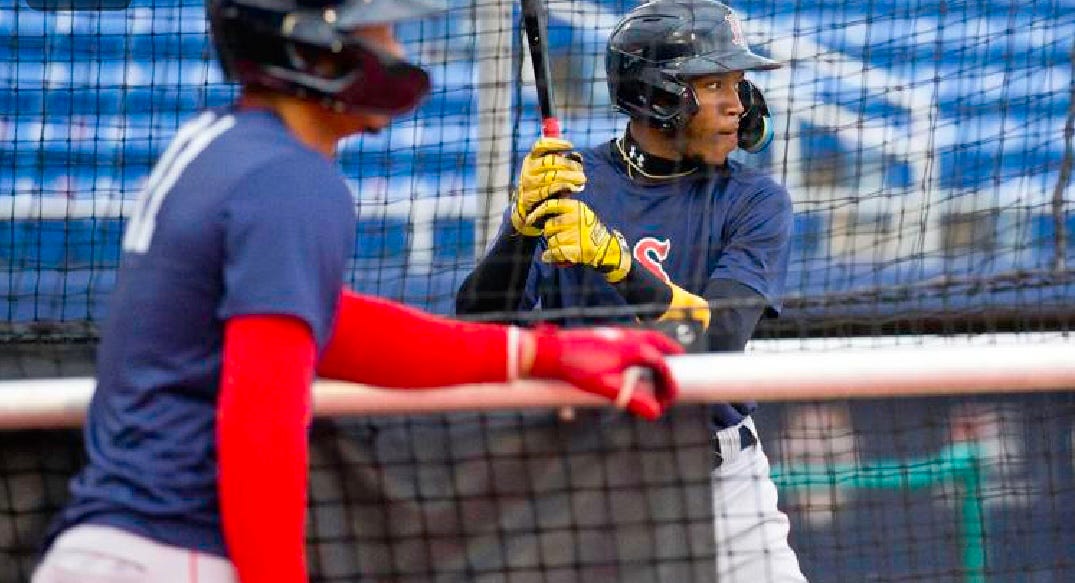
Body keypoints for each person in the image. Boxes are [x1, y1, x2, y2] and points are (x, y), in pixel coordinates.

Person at [31, 1, 686, 582]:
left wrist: (537, 354)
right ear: (311, 43)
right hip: (176, 551)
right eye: (377, 30)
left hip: (111, 546)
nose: (395, 53)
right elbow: (260, 420)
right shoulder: (292, 179)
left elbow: (325, 327)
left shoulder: (218, 145)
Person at [455, 0, 808, 581]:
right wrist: (521, 230)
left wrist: (616, 261)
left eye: (739, 85)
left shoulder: (755, 202)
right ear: (658, 96)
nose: (736, 105)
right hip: (583, 478)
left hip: (718, 479)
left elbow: (718, 339)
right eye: (714, 83)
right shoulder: (574, 182)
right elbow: (478, 323)